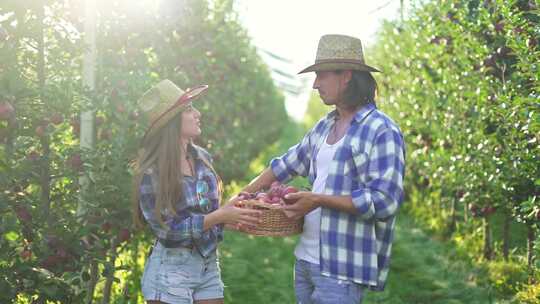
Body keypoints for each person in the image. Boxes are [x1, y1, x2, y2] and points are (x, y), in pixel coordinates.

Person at [231, 34, 406, 303]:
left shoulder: (381, 130)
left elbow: (385, 201)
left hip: (340, 268)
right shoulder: (324, 125)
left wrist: (317, 200)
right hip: (305, 261)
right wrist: (241, 197)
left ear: (346, 76)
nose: (314, 84)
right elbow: (284, 165)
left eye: (321, 76)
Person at [132, 79, 261, 304]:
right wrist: (220, 216)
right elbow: (168, 232)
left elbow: (205, 214)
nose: (198, 113)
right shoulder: (152, 173)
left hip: (207, 262)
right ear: (172, 121)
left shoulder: (202, 158)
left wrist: (233, 219)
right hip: (170, 271)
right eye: (189, 109)